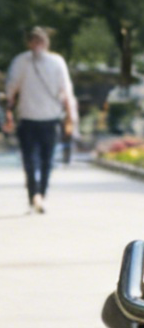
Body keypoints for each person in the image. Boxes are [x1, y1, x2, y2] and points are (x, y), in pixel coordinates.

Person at [4, 27, 77, 213]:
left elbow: (66, 91)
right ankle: (36, 195)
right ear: (30, 43)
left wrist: (70, 116)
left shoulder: (52, 61)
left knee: (45, 161)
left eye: (39, 41)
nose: (37, 45)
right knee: (32, 160)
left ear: (45, 43)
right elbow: (11, 91)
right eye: (34, 41)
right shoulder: (23, 62)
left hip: (47, 118)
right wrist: (8, 112)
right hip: (30, 118)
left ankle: (39, 195)